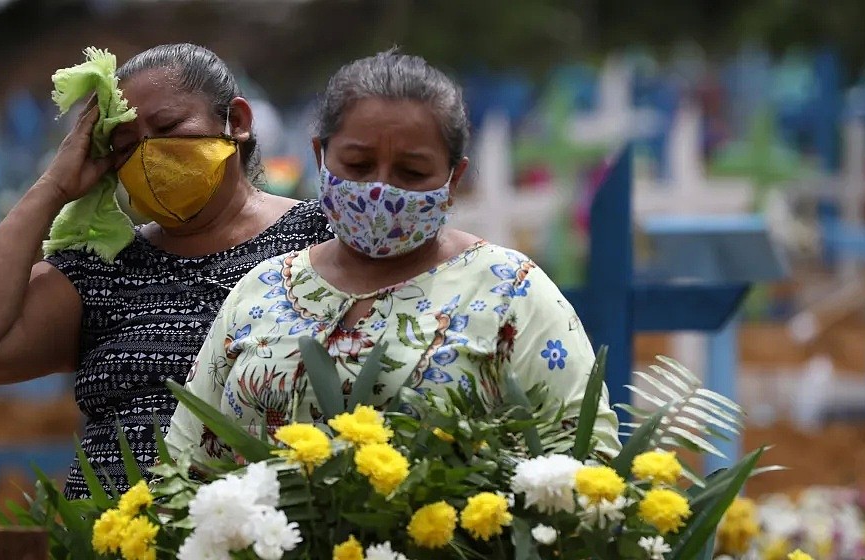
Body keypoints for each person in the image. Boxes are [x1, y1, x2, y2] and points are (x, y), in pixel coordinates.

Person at [166, 49, 620, 462]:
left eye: (412, 171)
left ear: (453, 178)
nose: (380, 189)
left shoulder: (508, 290)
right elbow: (187, 464)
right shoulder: (262, 291)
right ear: (320, 156)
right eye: (359, 166)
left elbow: (583, 462)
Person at [0, 44, 333, 499]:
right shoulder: (102, 271)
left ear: (236, 122)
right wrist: (53, 186)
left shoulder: (320, 238)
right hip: (108, 535)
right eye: (124, 146)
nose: (147, 154)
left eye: (168, 127)